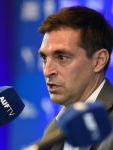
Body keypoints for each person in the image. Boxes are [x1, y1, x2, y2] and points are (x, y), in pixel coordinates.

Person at [38, 6, 113, 150]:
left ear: (99, 60)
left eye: (61, 57)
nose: (47, 71)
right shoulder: (53, 130)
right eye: (44, 58)